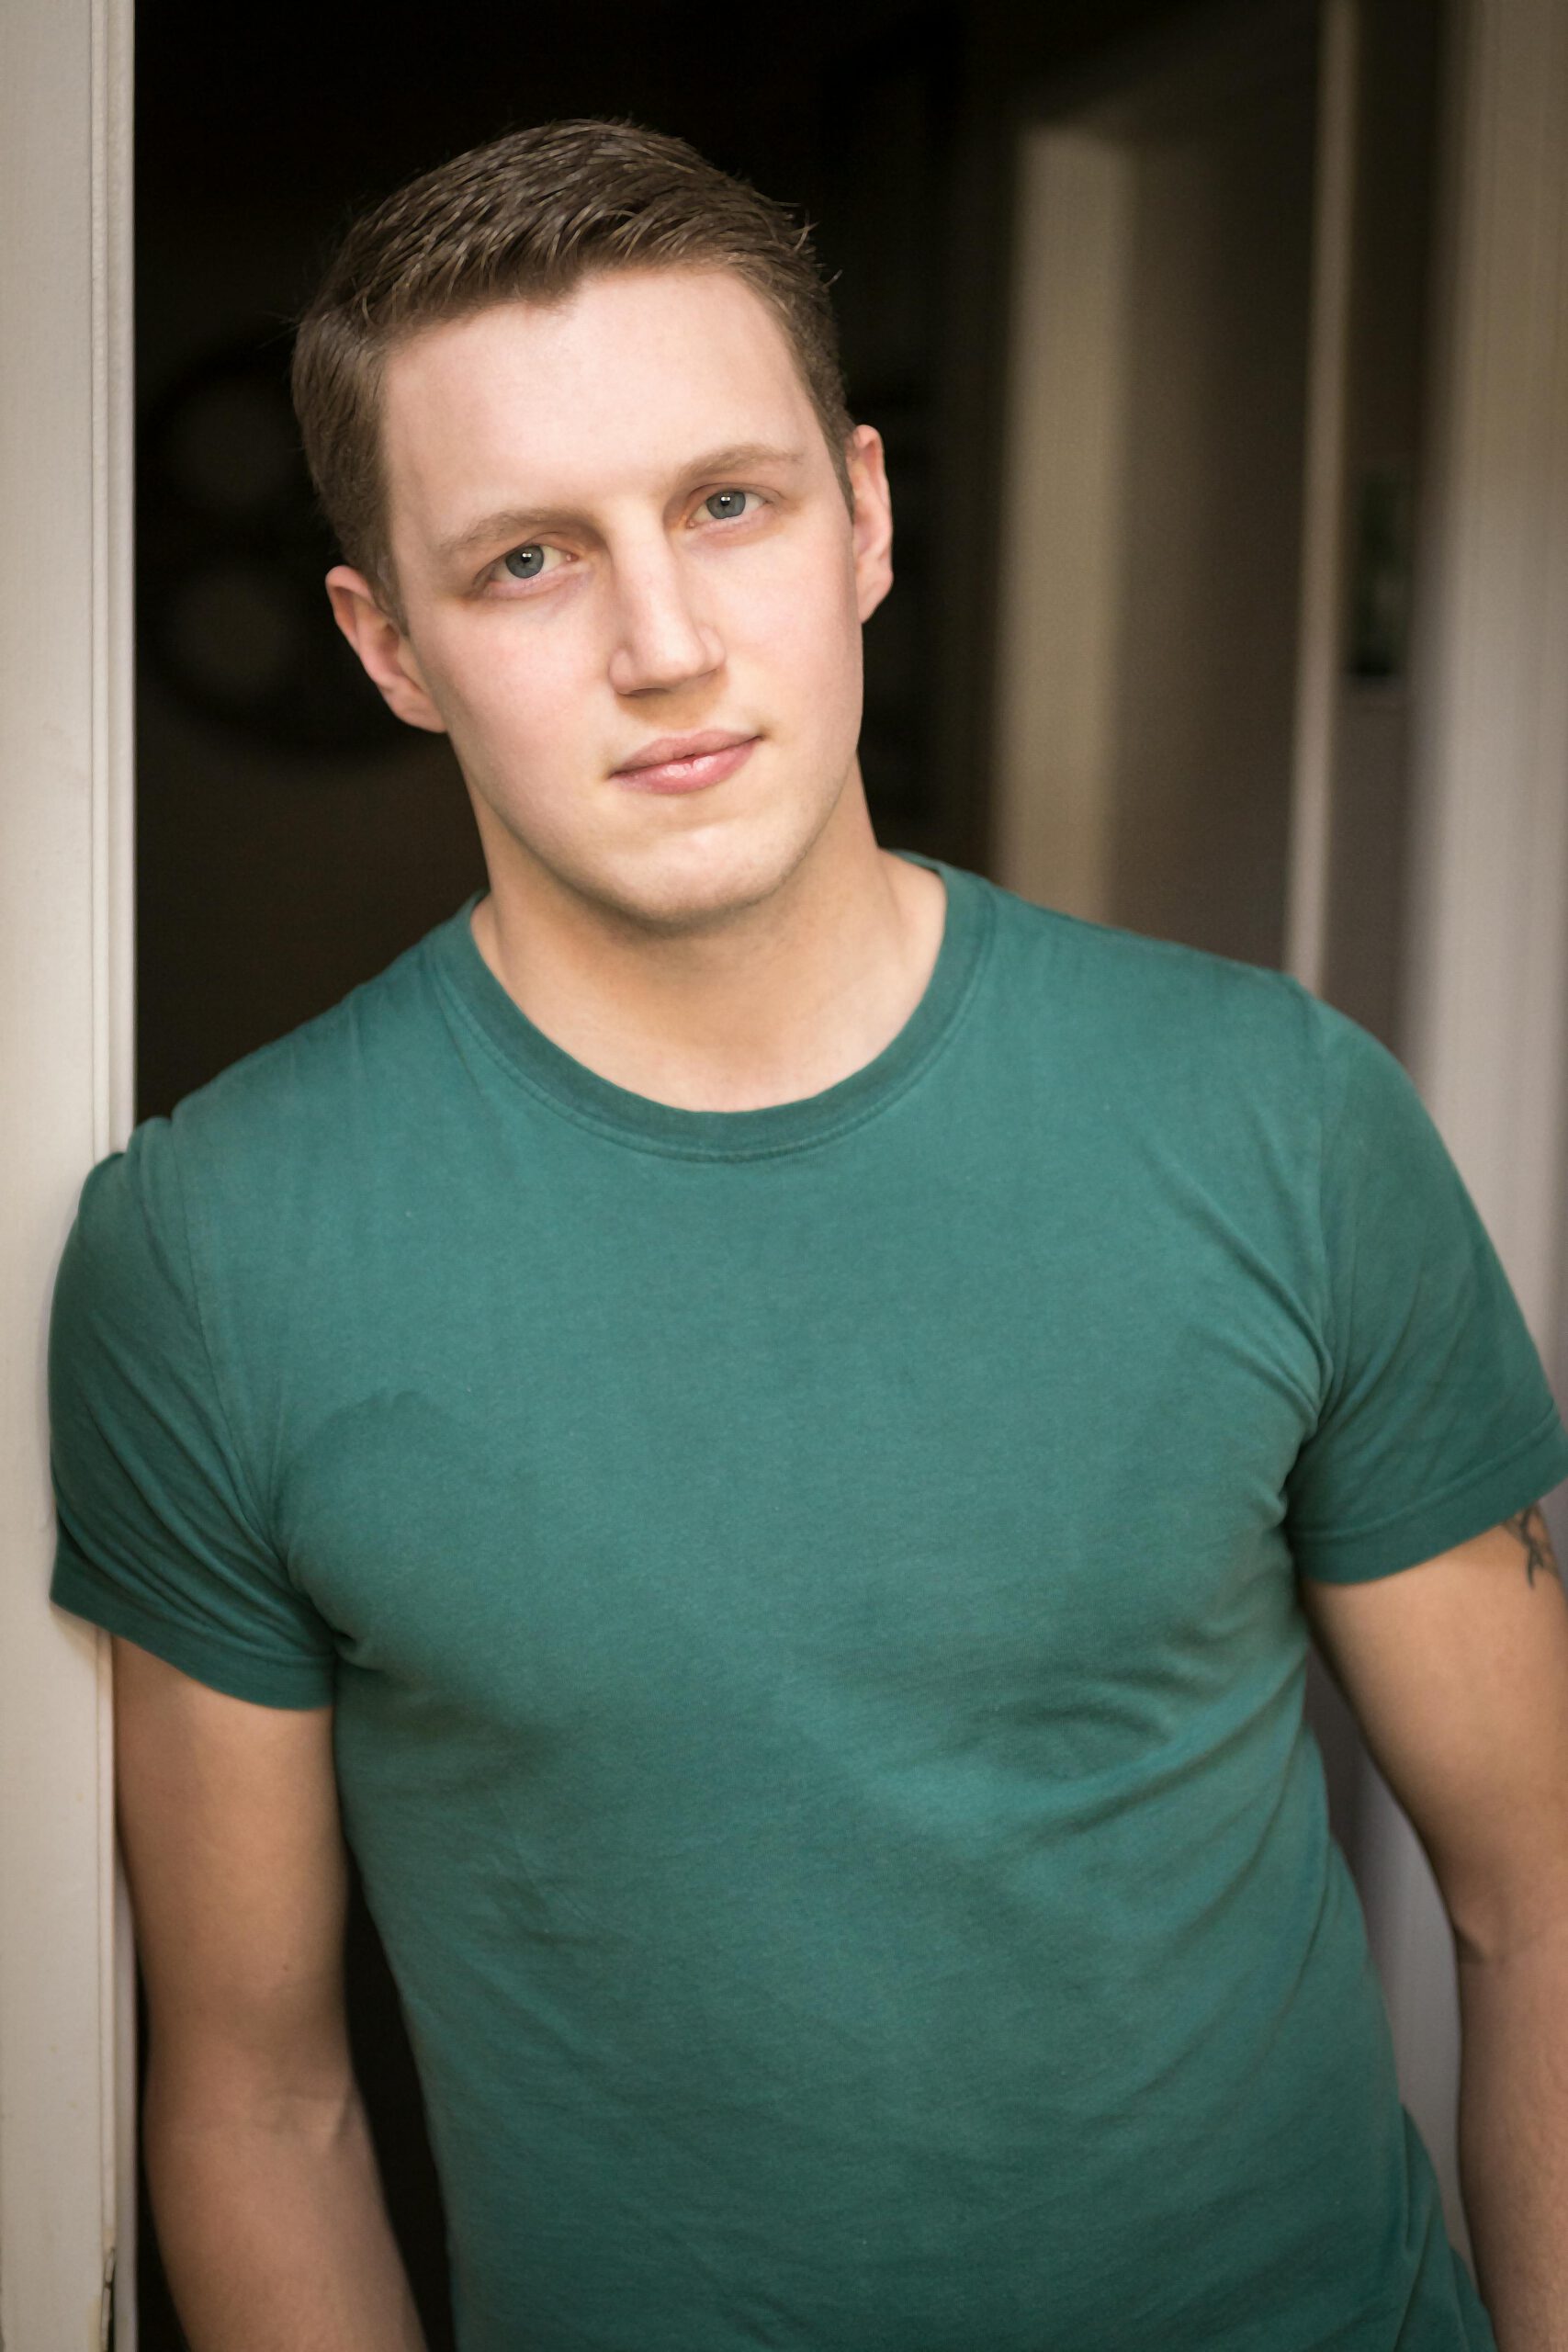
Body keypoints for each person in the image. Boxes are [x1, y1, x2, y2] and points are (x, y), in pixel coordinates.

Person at [47, 117, 1568, 2352]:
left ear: (860, 514)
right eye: (529, 559)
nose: (664, 642)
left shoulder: (1275, 1115)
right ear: (386, 643)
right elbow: (261, 2102)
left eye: (724, 504)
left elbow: (1533, 1882)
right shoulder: (211, 1249)